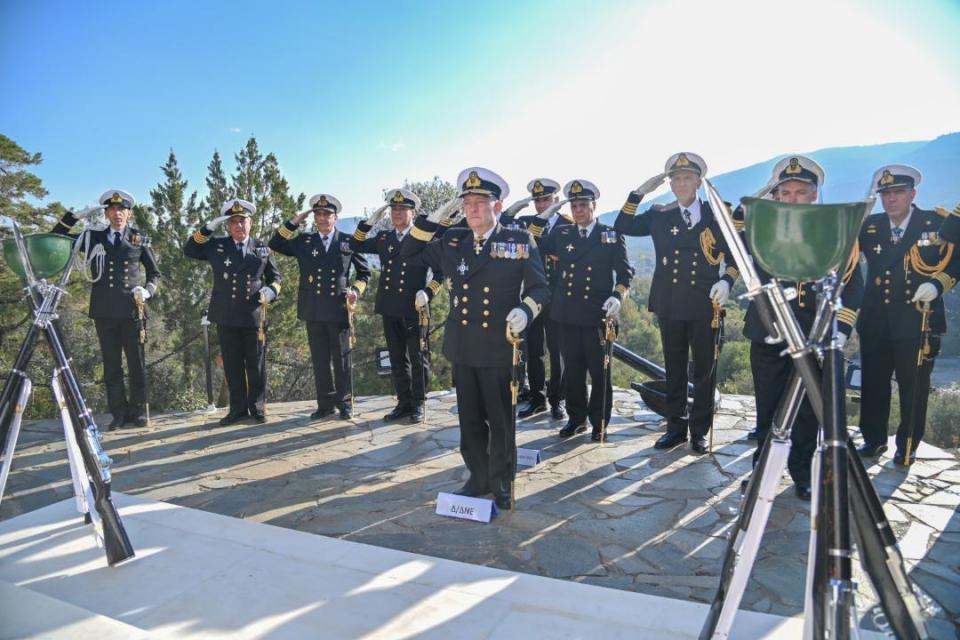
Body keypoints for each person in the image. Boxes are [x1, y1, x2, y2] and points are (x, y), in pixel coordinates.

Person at [401, 167, 551, 510]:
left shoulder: (518, 241)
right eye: (467, 203)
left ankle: (501, 481)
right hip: (464, 344)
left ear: (497, 206)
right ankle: (478, 477)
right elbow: (409, 251)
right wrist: (433, 219)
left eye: (480, 203)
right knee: (469, 420)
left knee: (500, 420)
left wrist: (526, 310)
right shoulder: (453, 241)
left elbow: (541, 289)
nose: (473, 210)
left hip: (499, 345)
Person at [739, 156, 863, 498]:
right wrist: (762, 197)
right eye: (785, 193)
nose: (792, 199)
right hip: (770, 330)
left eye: (800, 192)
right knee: (768, 407)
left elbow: (854, 284)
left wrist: (841, 328)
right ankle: (763, 472)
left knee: (808, 410)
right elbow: (732, 230)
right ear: (776, 196)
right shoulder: (762, 229)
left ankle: (802, 474)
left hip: (814, 333)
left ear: (814, 195)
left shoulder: (835, 232)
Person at [614, 153, 736, 454]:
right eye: (676, 179)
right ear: (670, 184)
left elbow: (736, 254)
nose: (682, 183)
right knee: (675, 367)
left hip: (705, 303)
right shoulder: (659, 214)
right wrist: (638, 193)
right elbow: (622, 224)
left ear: (698, 182)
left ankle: (699, 431)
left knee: (704, 370)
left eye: (687, 178)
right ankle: (676, 428)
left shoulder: (717, 215)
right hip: (670, 301)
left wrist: (727, 281)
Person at [857, 165, 960, 464]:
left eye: (898, 192)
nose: (891, 199)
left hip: (917, 320)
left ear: (913, 194)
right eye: (886, 193)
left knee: (913, 388)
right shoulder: (870, 225)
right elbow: (846, 259)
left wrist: (937, 284)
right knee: (873, 384)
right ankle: (873, 440)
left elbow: (956, 262)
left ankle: (908, 445)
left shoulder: (936, 224)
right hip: (875, 320)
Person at [527, 179, 633, 440]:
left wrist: (617, 296)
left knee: (599, 372)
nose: (579, 211)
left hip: (598, 314)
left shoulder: (609, 235)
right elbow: (533, 242)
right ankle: (576, 419)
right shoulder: (562, 234)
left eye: (583, 205)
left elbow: (624, 273)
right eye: (574, 206)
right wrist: (543, 216)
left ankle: (599, 422)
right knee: (573, 370)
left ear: (594, 205)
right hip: (567, 313)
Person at [52, 189, 161, 430]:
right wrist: (74, 217)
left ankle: (138, 412)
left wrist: (148, 290)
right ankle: (118, 414)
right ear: (106, 213)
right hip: (104, 311)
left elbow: (154, 272)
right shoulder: (93, 237)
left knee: (137, 364)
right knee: (111, 366)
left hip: (132, 310)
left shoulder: (139, 238)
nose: (117, 213)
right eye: (112, 209)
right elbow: (57, 237)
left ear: (129, 214)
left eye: (122, 209)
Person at [270, 193, 370, 420]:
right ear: (314, 218)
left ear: (336, 217)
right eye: (318, 214)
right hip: (313, 308)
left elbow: (364, 274)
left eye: (327, 214)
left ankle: (345, 403)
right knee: (320, 359)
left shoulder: (349, 241)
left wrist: (355, 291)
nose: (322, 218)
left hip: (338, 307)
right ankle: (325, 404)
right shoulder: (305, 241)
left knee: (342, 359)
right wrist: (294, 221)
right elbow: (275, 243)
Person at [184, 198, 281, 425]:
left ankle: (257, 407)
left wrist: (271, 291)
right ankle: (237, 409)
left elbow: (275, 277)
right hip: (226, 314)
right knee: (232, 364)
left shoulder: (261, 247)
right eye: (234, 222)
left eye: (242, 221)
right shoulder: (217, 245)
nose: (239, 225)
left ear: (250, 223)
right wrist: (208, 228)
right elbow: (190, 250)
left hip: (253, 314)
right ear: (228, 225)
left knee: (256, 364)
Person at [350, 188, 442, 423]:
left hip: (415, 307)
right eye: (394, 209)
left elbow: (440, 273)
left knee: (418, 357)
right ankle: (403, 402)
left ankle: (418, 403)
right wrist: (367, 224)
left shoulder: (423, 238)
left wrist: (428, 292)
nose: (397, 213)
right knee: (397, 358)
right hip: (390, 305)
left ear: (413, 213)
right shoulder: (384, 239)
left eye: (403, 209)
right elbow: (355, 245)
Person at [515, 178, 572, 421]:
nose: (541, 205)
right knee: (534, 349)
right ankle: (537, 399)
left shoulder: (567, 225)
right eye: (537, 201)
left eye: (546, 200)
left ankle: (558, 399)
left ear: (556, 200)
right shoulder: (527, 224)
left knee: (558, 351)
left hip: (559, 297)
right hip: (533, 296)